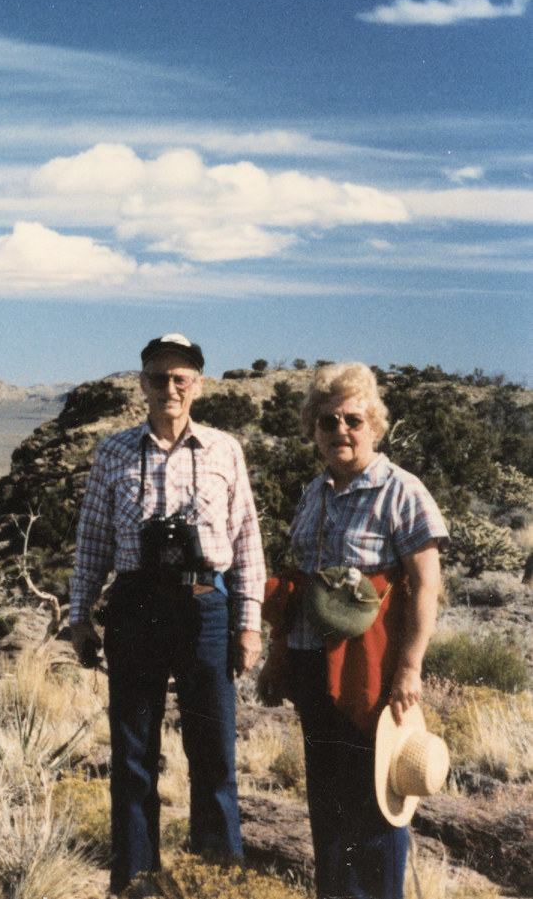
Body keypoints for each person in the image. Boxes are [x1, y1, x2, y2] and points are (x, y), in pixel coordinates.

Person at [70, 334, 265, 894]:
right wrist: (80, 618)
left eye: (181, 379)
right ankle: (135, 883)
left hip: (206, 609)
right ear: (142, 384)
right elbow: (91, 542)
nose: (169, 389)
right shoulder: (114, 451)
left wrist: (248, 623)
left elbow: (247, 538)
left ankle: (217, 882)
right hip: (134, 610)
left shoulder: (225, 450)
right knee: (134, 757)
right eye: (158, 378)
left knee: (214, 755)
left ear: (199, 385)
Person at [256, 363, 447, 899]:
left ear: (375, 426)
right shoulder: (314, 494)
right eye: (328, 420)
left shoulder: (401, 491)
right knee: (327, 804)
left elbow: (425, 585)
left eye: (353, 420)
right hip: (314, 668)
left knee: (374, 806)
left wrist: (410, 668)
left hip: (373, 673)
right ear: (312, 429)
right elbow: (297, 589)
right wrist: (278, 658)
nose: (341, 430)